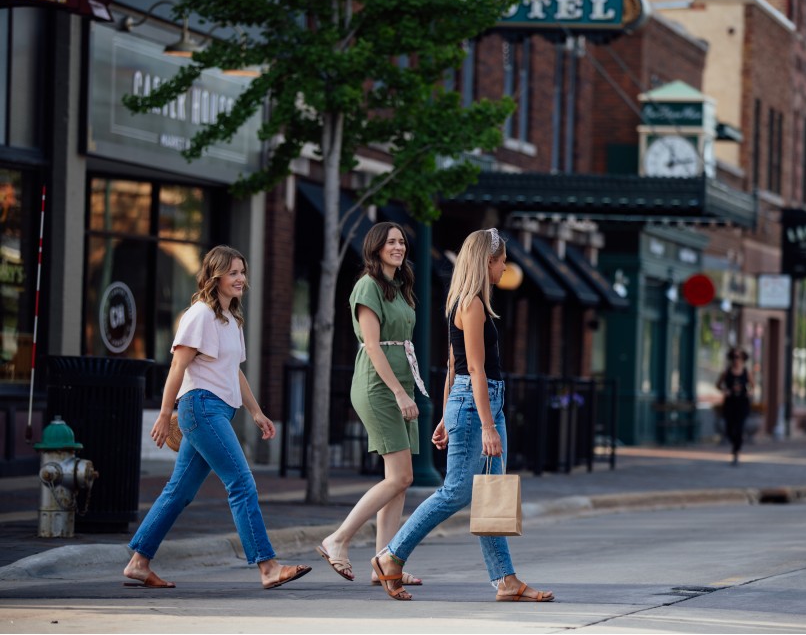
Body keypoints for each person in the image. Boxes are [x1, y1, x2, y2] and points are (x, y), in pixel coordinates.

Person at [371, 228, 554, 603]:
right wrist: (485, 425)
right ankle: (391, 555)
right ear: (488, 261)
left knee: (490, 496)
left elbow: (451, 366)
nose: (505, 267)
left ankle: (505, 580)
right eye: (502, 261)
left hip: (474, 402)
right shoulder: (470, 304)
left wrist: (444, 416)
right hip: (477, 404)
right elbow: (473, 368)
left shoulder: (470, 302)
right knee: (456, 491)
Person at [123, 245, 311, 590]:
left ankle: (138, 562)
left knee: (178, 491)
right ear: (215, 276)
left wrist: (256, 412)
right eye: (233, 273)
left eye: (243, 272)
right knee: (241, 482)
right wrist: (166, 414)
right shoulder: (200, 315)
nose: (241, 279)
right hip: (201, 408)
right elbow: (177, 366)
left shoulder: (230, 319)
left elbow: (234, 372)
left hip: (218, 409)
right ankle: (268, 566)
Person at [316, 222, 428, 586]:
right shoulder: (367, 286)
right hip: (379, 386)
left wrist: (405, 389)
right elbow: (373, 345)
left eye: (401, 242)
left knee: (399, 481)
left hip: (402, 384)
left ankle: (384, 562)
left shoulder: (401, 287)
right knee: (401, 476)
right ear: (376, 247)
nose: (398, 247)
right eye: (391, 242)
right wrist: (397, 391)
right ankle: (338, 539)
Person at [716, 347, 754, 465]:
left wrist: (749, 392)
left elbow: (753, 386)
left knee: (739, 427)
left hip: (742, 403)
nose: (736, 360)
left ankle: (736, 451)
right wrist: (725, 390)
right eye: (734, 357)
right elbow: (718, 385)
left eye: (738, 357)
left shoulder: (746, 372)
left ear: (743, 359)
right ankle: (735, 445)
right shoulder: (726, 372)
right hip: (730, 403)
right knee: (729, 429)